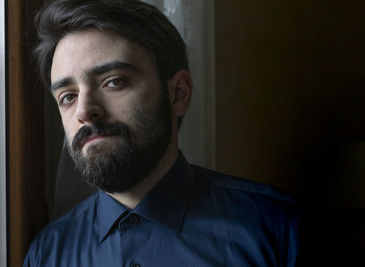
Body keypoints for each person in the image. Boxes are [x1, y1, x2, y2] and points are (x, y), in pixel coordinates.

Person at [24, 0, 302, 266]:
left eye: (114, 82)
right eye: (68, 96)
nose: (84, 110)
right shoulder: (46, 254)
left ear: (178, 93)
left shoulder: (277, 230)